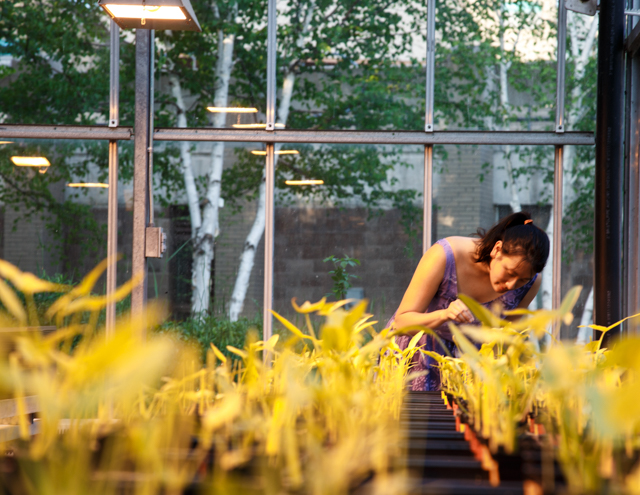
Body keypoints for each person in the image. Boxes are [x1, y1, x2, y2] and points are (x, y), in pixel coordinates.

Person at [387, 212, 550, 391]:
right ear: (497, 249)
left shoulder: (532, 283)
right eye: (510, 272)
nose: (512, 285)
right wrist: (444, 314)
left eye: (522, 280)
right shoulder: (446, 255)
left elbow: (505, 340)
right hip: (418, 356)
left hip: (469, 367)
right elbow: (401, 322)